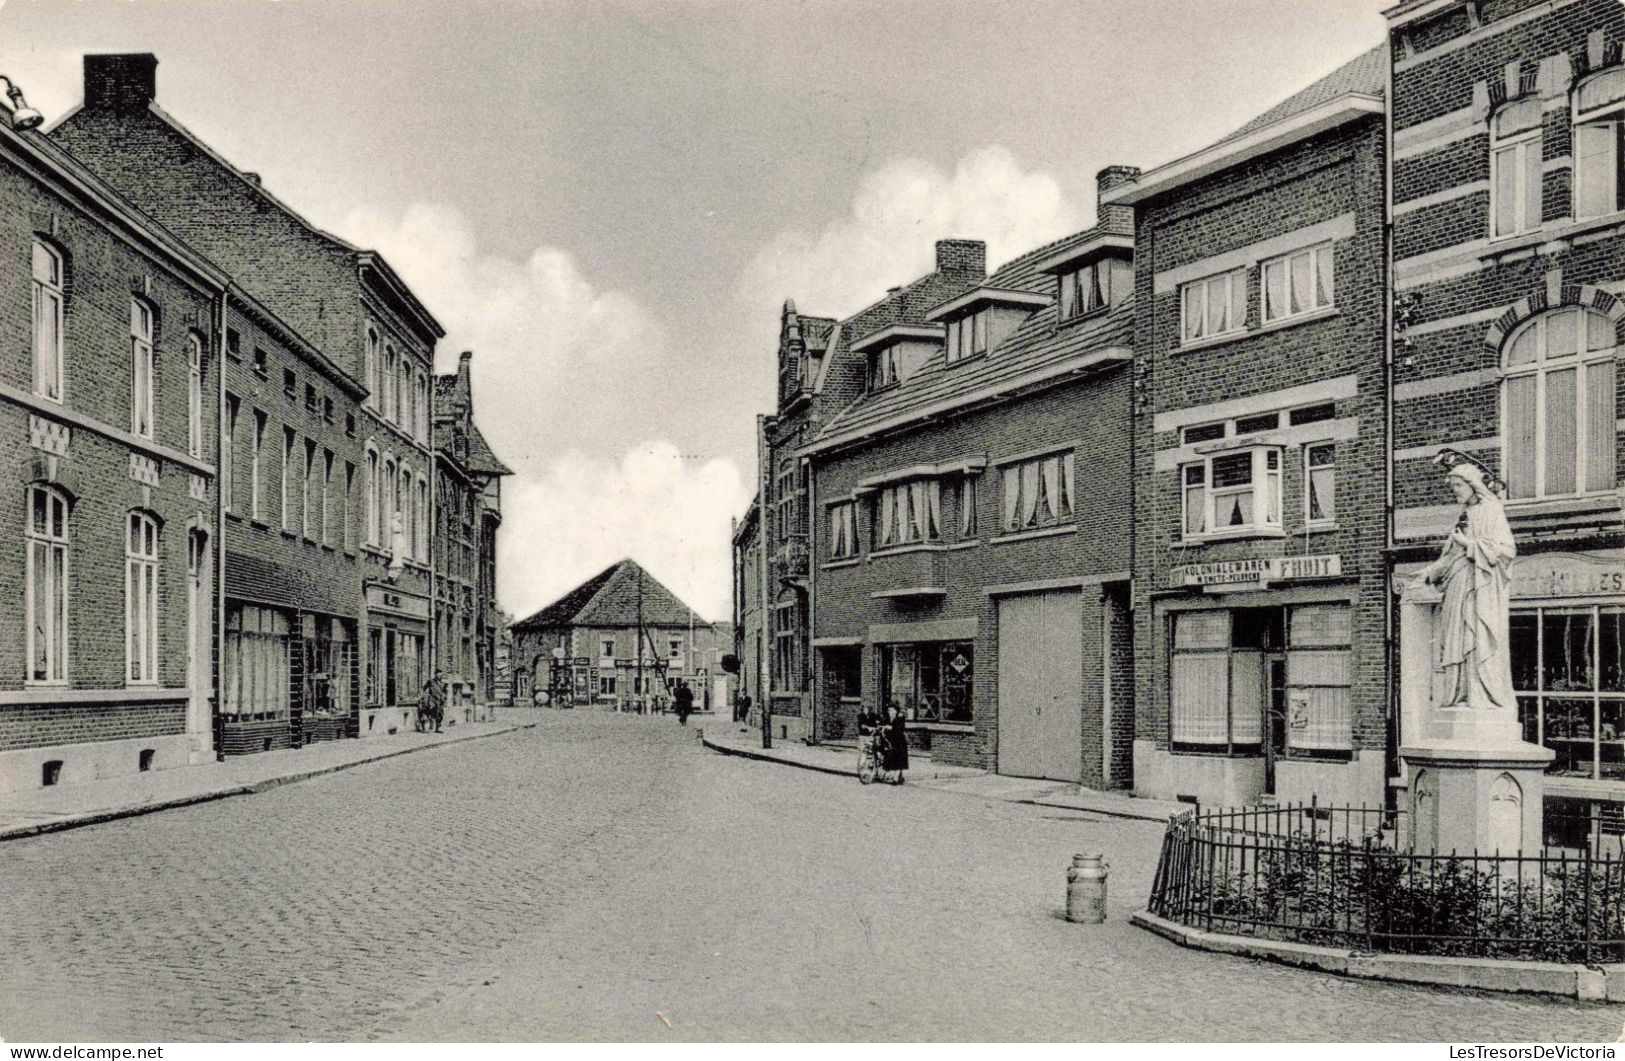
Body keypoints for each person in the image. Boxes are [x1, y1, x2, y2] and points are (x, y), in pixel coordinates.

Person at [1416, 460, 1517, 714]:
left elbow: (1506, 550)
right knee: (1455, 638)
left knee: (1477, 637)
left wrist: (1470, 544)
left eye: (1459, 486)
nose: (1456, 491)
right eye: (1453, 488)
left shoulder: (1492, 511)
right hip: (1457, 585)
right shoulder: (1463, 516)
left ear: (1473, 485)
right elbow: (1448, 557)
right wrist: (1428, 572)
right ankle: (1459, 694)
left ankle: (1480, 695)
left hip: (1480, 586)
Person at [881, 701, 909, 785]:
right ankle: (899, 776)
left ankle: (896, 778)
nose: (890, 712)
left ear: (896, 711)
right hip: (890, 740)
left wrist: (891, 728)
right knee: (891, 756)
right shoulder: (887, 718)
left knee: (898, 757)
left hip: (899, 741)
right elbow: (883, 726)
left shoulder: (900, 718)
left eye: (892, 710)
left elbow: (900, 730)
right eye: (889, 710)